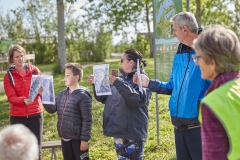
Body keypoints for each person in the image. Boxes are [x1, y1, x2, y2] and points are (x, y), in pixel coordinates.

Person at [133, 12, 210, 160]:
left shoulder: (208, 51)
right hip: (178, 127)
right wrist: (148, 83)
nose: (173, 34)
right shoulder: (179, 52)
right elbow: (172, 86)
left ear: (185, 29)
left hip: (199, 129)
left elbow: (219, 87)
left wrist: (198, 106)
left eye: (175, 30)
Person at [88, 49, 152, 160]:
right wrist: (96, 84)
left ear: (131, 62)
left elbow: (137, 100)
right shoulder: (119, 79)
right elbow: (104, 98)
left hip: (133, 133)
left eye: (122, 60)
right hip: (118, 132)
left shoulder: (142, 79)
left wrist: (118, 83)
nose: (119, 63)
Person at [192, 25, 240, 160]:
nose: (197, 62)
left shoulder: (212, 103)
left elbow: (214, 155)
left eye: (198, 57)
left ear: (212, 62)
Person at [43, 63, 92, 160]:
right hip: (64, 138)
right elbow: (52, 109)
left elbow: (87, 120)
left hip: (78, 140)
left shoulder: (83, 96)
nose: (65, 78)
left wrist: (84, 140)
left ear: (76, 77)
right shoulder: (61, 94)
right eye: (65, 75)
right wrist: (43, 96)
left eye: (68, 75)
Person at [3, 45, 44, 160]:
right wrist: (23, 101)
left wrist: (41, 92)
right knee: (19, 152)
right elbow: (11, 97)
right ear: (11, 59)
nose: (20, 59)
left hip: (36, 115)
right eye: (17, 57)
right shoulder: (8, 76)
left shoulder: (35, 70)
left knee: (36, 150)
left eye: (22, 56)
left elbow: (40, 90)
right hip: (17, 117)